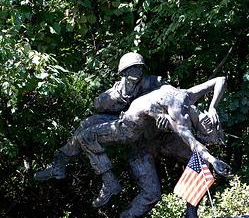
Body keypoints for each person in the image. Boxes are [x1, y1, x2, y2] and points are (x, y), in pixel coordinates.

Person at [77, 77, 232, 218]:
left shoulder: (187, 95)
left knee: (201, 162)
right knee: (151, 194)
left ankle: (190, 217)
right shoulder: (180, 114)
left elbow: (220, 80)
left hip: (162, 139)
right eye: (205, 135)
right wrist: (214, 160)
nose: (202, 137)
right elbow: (193, 142)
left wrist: (213, 106)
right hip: (140, 145)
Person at [34, 52, 165, 182]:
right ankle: (59, 163)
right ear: (124, 72)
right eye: (132, 68)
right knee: (86, 123)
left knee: (88, 135)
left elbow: (171, 98)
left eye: (139, 67)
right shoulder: (117, 90)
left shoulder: (152, 82)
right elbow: (97, 105)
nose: (137, 71)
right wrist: (118, 98)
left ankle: (109, 181)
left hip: (145, 128)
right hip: (123, 122)